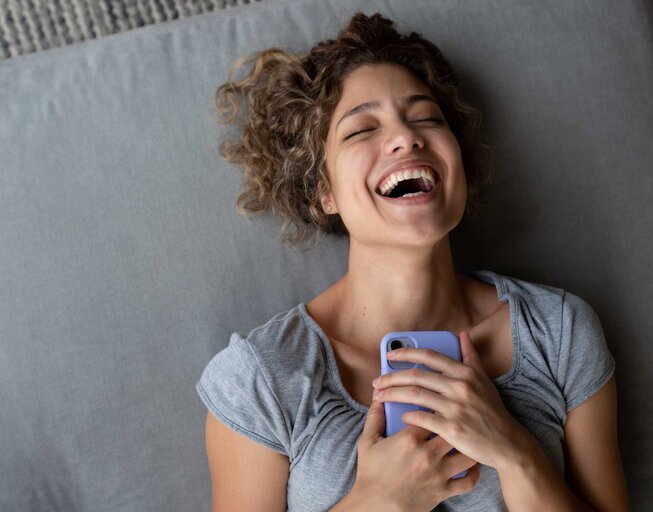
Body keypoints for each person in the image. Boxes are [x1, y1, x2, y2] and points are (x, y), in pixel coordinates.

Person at [196, 11, 630, 512]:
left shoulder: (559, 332)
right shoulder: (260, 379)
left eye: (426, 118)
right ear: (322, 193)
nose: (407, 137)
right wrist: (376, 502)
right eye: (361, 130)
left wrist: (516, 455)